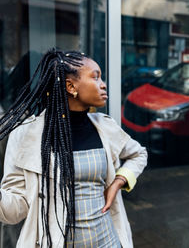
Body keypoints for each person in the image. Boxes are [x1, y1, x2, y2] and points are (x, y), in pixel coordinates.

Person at [0, 49, 147, 248]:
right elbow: (14, 211)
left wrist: (118, 182)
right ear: (71, 86)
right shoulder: (26, 135)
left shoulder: (104, 126)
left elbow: (138, 154)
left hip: (109, 241)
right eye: (95, 78)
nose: (103, 85)